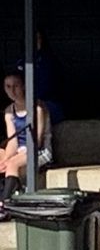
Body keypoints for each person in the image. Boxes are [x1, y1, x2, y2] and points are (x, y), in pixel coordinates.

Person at [1, 71, 52, 208]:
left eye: (16, 86)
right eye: (8, 86)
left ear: (23, 86)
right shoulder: (9, 111)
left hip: (38, 150)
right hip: (19, 149)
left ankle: (4, 204)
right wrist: (5, 159)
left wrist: (12, 160)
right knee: (3, 159)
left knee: (12, 165)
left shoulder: (37, 108)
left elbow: (37, 140)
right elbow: (12, 141)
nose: (12, 91)